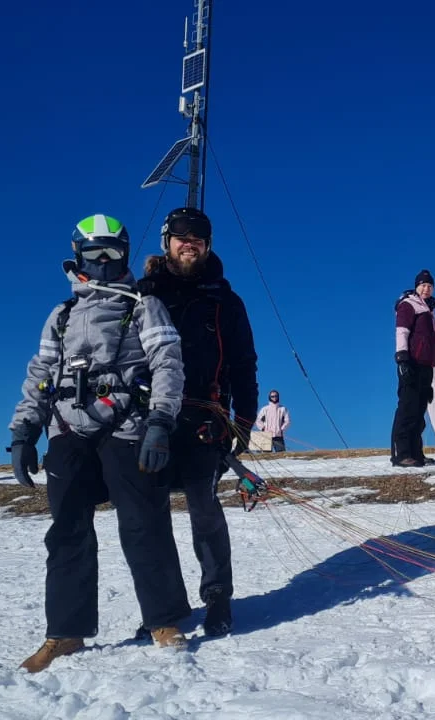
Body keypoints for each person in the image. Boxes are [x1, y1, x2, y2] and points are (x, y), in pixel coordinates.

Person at [9, 213, 193, 673]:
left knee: (143, 523)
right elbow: (40, 373)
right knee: (67, 530)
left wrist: (160, 422)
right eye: (96, 254)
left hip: (127, 427)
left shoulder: (144, 306)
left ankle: (164, 620)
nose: (105, 263)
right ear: (78, 257)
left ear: (127, 255)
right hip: (67, 430)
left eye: (114, 253)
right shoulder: (62, 314)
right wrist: (22, 432)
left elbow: (168, 363)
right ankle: (65, 633)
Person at [136, 206, 259, 637]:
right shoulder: (143, 295)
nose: (191, 243)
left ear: (207, 245)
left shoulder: (225, 299)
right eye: (182, 236)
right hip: (152, 421)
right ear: (167, 241)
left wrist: (242, 421)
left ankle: (218, 601)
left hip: (206, 419)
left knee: (204, 512)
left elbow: (244, 363)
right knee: (148, 516)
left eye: (200, 237)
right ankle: (165, 610)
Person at [392, 269, 435, 467]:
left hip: (426, 366)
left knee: (419, 411)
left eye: (430, 286)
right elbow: (402, 331)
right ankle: (400, 454)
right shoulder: (408, 305)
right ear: (417, 287)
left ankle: (416, 453)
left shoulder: (429, 310)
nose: (426, 288)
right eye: (423, 285)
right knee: (408, 408)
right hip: (412, 363)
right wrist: (402, 359)